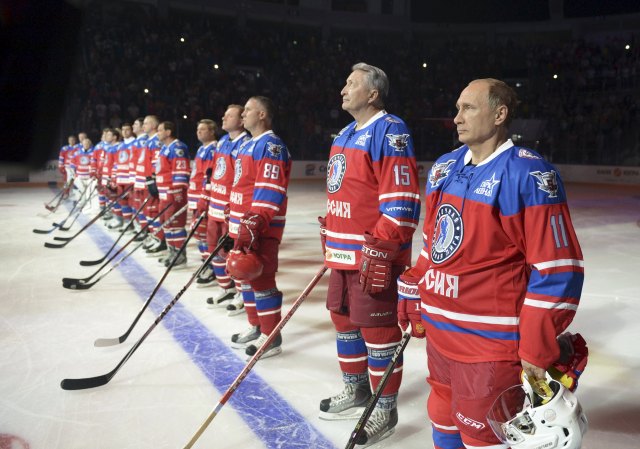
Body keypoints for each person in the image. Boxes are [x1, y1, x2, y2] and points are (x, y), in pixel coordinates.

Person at [397, 78, 584, 449]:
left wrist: (535, 345)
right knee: (442, 416)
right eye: (456, 109)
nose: (456, 118)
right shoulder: (444, 167)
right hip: (440, 334)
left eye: (468, 108)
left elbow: (557, 267)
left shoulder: (528, 174)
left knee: (482, 436)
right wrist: (416, 289)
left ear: (499, 115)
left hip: (489, 346)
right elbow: (433, 243)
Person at [318, 62, 421, 447]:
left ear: (373, 94)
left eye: (351, 84)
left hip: (371, 256)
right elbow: (343, 192)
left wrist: (382, 247)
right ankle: (357, 389)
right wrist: (330, 229)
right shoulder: (344, 134)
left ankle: (384, 407)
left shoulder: (390, 130)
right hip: (342, 255)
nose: (343, 89)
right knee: (342, 321)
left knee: (378, 334)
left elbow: (401, 200)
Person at [226, 96, 291, 358]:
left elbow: (270, 189)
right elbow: (242, 184)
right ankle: (256, 326)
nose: (243, 115)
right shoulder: (247, 145)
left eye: (249, 110)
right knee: (245, 278)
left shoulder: (272, 145)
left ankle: (271, 336)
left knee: (262, 280)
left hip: (259, 229)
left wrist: (255, 221)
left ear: (262, 115)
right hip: (242, 227)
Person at [204, 105, 251, 313]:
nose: (223, 117)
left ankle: (242, 293)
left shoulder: (246, 144)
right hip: (215, 206)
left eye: (229, 115)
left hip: (230, 210)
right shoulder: (222, 141)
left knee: (233, 253)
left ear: (241, 120)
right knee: (212, 247)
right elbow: (214, 171)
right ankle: (226, 287)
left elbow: (244, 180)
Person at [153, 121, 190, 267]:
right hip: (163, 193)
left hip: (173, 194)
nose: (158, 133)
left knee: (175, 224)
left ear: (168, 132)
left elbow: (180, 172)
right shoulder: (164, 148)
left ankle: (180, 255)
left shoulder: (178, 147)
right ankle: (172, 251)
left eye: (160, 130)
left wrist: (177, 193)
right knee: (166, 224)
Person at [188, 119, 219, 284]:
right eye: (197, 129)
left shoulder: (213, 149)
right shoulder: (202, 149)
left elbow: (209, 177)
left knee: (206, 235)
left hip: (204, 199)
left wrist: (204, 198)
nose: (198, 132)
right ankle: (206, 262)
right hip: (195, 198)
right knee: (199, 234)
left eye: (202, 129)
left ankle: (212, 267)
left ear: (212, 131)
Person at [107, 122, 135, 230]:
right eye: (123, 130)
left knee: (133, 202)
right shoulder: (121, 146)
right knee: (122, 201)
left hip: (129, 178)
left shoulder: (135, 143)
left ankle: (134, 225)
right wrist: (113, 177)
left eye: (127, 129)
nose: (125, 132)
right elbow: (116, 163)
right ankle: (127, 224)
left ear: (131, 130)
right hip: (120, 178)